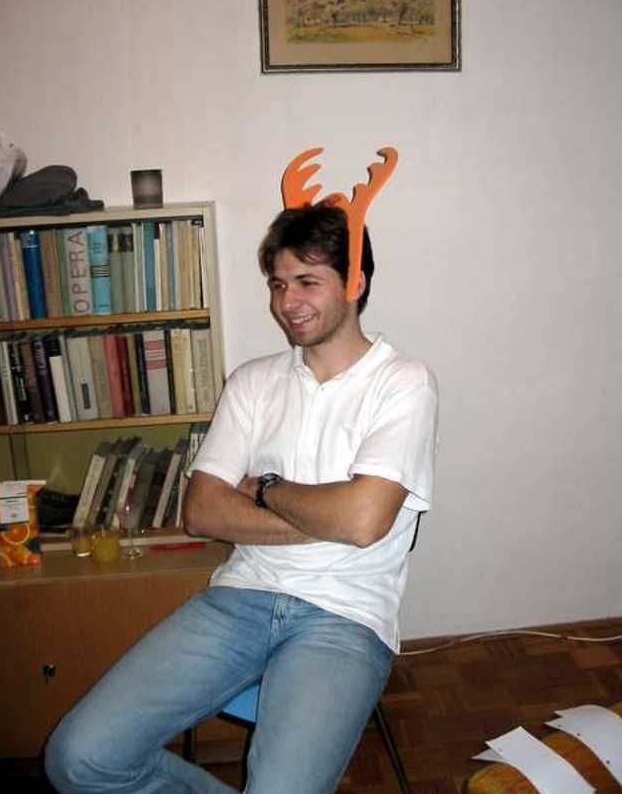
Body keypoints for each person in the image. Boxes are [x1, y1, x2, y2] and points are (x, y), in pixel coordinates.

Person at [45, 198, 438, 794]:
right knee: (78, 758)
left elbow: (362, 522)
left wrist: (266, 489)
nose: (287, 302)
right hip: (239, 599)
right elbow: (202, 511)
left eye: (307, 282)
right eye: (278, 284)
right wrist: (329, 516)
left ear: (354, 283)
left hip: (345, 617)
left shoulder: (404, 382)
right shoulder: (253, 382)